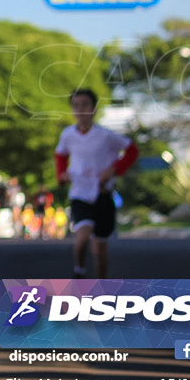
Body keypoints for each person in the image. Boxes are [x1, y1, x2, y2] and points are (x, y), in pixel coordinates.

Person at [55, 89, 138, 279]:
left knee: (100, 250)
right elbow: (60, 155)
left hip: (102, 193)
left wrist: (114, 169)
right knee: (82, 238)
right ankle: (80, 272)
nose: (80, 109)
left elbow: (132, 150)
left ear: (93, 109)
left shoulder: (106, 136)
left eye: (85, 104)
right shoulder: (68, 135)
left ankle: (101, 289)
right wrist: (62, 175)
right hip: (80, 193)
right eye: (76, 105)